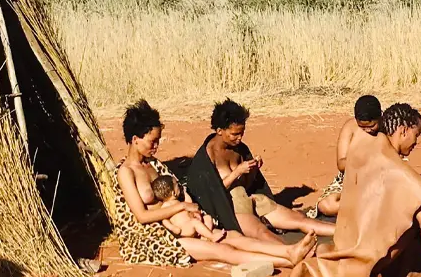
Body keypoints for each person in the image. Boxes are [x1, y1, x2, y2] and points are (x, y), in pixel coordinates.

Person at [286, 103, 421, 277]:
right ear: (403, 130)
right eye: (416, 135)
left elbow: (417, 181)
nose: (416, 142)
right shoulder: (394, 167)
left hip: (354, 244)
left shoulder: (374, 148)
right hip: (370, 259)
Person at [113, 100, 317, 268]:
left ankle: (289, 251)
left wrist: (197, 214)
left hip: (187, 223)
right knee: (225, 251)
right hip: (163, 236)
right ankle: (289, 261)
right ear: (135, 139)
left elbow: (180, 192)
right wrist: (182, 207)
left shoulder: (154, 165)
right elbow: (142, 215)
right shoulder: (126, 172)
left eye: (158, 141)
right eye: (152, 141)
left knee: (234, 237)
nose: (156, 146)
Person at [184, 99, 335, 239]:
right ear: (219, 130)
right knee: (261, 233)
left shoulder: (239, 149)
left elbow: (249, 186)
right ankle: (295, 255)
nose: (239, 138)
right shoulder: (206, 158)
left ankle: (348, 235)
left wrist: (253, 170)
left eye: (242, 133)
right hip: (232, 209)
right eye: (234, 134)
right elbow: (212, 196)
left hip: (252, 200)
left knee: (300, 220)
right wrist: (237, 172)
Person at [305, 95, 382, 220]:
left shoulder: (387, 128)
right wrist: (363, 162)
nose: (367, 130)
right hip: (350, 180)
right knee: (326, 205)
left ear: (380, 117)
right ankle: (368, 207)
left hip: (380, 179)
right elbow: (341, 164)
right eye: (363, 127)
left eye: (372, 126)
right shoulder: (350, 128)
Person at [151, 175, 227, 243]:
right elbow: (164, 220)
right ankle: (211, 236)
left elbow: (189, 203)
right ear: (173, 193)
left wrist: (184, 192)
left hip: (192, 224)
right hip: (184, 230)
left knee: (208, 218)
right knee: (195, 222)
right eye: (177, 185)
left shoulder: (178, 201)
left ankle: (204, 238)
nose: (179, 186)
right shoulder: (166, 206)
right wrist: (172, 227)